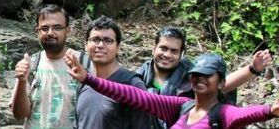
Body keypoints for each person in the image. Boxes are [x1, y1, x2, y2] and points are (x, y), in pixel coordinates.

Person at [65, 51, 279, 129]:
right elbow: (133, 95)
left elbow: (245, 114)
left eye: (207, 74)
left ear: (221, 83)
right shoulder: (180, 107)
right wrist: (89, 79)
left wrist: (270, 109)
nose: (199, 78)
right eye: (196, 73)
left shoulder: (221, 114)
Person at [136, 27, 273, 129]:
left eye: (174, 51)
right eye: (163, 48)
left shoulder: (192, 75)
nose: (167, 54)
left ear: (181, 54)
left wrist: (253, 69)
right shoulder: (138, 78)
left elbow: (223, 85)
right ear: (154, 49)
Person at [11, 4, 84, 129]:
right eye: (44, 28)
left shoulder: (83, 63)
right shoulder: (31, 64)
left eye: (57, 27)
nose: (50, 33)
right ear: (37, 31)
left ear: (68, 30)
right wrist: (22, 81)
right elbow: (19, 114)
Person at [76, 16, 150, 129]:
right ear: (86, 45)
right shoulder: (84, 83)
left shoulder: (132, 84)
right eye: (95, 40)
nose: (100, 45)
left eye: (107, 40)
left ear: (118, 47)